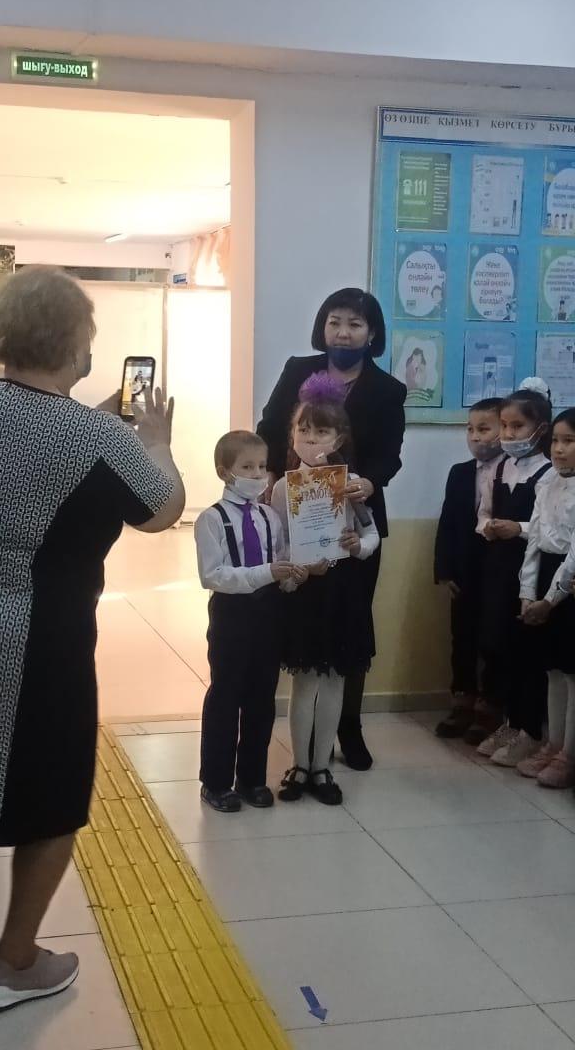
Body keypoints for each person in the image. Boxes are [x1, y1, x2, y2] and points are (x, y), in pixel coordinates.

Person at [0, 265, 185, 1010]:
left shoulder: (87, 428)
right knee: (50, 795)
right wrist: (157, 442)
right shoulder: (98, 435)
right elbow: (161, 510)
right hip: (41, 641)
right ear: (77, 344)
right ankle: (14, 962)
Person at [257, 288, 405, 769]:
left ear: (372, 333)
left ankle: (349, 729)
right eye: (335, 322)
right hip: (298, 515)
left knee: (349, 631)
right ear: (322, 327)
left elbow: (390, 456)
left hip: (353, 520)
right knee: (303, 630)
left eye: (355, 324)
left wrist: (368, 483)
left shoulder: (388, 390)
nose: (343, 332)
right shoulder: (298, 370)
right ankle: (302, 747)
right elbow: (268, 428)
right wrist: (270, 478)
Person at [271, 374, 380, 805]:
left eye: (321, 431)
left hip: (342, 591)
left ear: (339, 438)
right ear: (292, 435)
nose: (311, 439)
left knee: (334, 682)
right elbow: (278, 543)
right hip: (305, 591)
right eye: (303, 430)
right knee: (304, 683)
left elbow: (371, 534)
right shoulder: (283, 488)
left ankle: (321, 767)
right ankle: (299, 765)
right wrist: (294, 574)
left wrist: (358, 546)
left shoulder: (351, 484)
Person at [195, 430, 299, 813]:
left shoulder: (269, 516)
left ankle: (252, 777)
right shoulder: (210, 519)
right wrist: (266, 573)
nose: (257, 475)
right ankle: (216, 782)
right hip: (231, 615)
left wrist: (292, 575)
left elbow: (280, 559)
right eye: (247, 467)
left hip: (268, 614)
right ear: (225, 472)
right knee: (226, 696)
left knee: (261, 698)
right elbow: (213, 575)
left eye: (262, 467)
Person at [475, 381, 553, 768]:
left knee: (528, 653)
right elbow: (484, 513)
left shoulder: (549, 473)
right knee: (501, 647)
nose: (508, 434)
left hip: (530, 568)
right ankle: (509, 721)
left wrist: (517, 529)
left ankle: (530, 729)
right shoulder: (501, 467)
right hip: (498, 567)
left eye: (517, 426)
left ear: (540, 429)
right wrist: (488, 526)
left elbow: (545, 527)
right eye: (504, 425)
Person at [434, 398, 503, 741]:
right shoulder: (460, 473)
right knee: (462, 637)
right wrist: (445, 570)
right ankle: (462, 699)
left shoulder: (514, 473)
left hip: (498, 571)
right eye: (470, 429)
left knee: (492, 640)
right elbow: (447, 523)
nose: (475, 437)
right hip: (464, 570)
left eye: (484, 429)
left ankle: (490, 706)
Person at [516, 409, 575, 788]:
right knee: (551, 669)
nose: (559, 449)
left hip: (569, 584)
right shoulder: (548, 481)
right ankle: (552, 744)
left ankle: (569, 754)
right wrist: (527, 593)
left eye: (569, 441)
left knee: (571, 673)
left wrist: (551, 599)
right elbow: (535, 539)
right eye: (555, 440)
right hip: (546, 579)